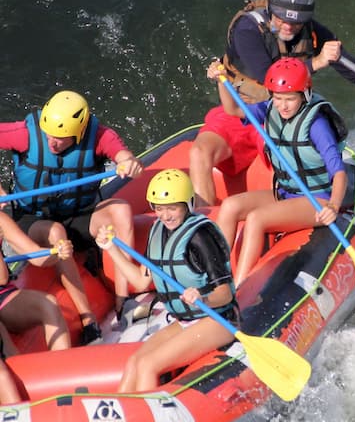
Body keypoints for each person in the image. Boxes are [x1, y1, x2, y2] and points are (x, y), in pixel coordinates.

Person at [189, 0, 355, 207]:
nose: (288, 26)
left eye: (295, 21)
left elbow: (350, 67)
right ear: (272, 8)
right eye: (282, 18)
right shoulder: (247, 29)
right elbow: (268, 76)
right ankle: (205, 227)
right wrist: (317, 62)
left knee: (286, 167)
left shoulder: (311, 31)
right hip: (243, 109)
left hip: (284, 114)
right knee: (199, 153)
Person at [0, 90, 144, 342]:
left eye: (61, 138)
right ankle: (88, 319)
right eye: (49, 135)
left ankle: (124, 301)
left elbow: (124, 156)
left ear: (78, 132)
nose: (52, 142)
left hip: (79, 214)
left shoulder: (98, 136)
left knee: (120, 208)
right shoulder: (25, 134)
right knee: (56, 232)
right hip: (34, 220)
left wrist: (128, 162)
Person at [95, 169, 239, 394]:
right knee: (134, 363)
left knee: (148, 365)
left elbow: (225, 294)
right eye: (159, 208)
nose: (165, 215)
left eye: (173, 207)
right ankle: (119, 420)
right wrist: (111, 248)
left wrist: (204, 298)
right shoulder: (158, 232)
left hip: (217, 319)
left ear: (188, 204)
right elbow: (141, 283)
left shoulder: (201, 237)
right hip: (184, 319)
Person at [212, 57, 349, 288]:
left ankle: (239, 289)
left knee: (257, 219)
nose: (283, 105)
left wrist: (334, 206)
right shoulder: (269, 109)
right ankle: (218, 281)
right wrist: (220, 80)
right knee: (230, 206)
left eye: (290, 99)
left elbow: (339, 172)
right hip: (286, 191)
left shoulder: (316, 125)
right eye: (278, 98)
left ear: (304, 95)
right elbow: (232, 108)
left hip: (317, 198)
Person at [0, 212, 74, 402]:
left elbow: (35, 255)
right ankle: (21, 407)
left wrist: (57, 253)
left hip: (3, 297)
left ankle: (63, 384)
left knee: (48, 304)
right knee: (9, 352)